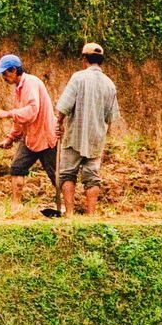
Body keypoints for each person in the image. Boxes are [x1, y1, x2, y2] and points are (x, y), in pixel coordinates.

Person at [55, 42, 120, 217]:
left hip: (74, 137)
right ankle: (90, 216)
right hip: (96, 139)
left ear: (84, 59)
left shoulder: (78, 78)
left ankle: (69, 214)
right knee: (92, 177)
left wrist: (59, 124)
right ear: (101, 61)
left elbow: (63, 107)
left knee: (68, 173)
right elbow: (111, 117)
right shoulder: (110, 84)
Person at [0, 53, 59, 213]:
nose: (3, 77)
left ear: (14, 70)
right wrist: (11, 137)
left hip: (45, 136)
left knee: (55, 175)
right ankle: (16, 206)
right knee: (16, 167)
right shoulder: (19, 89)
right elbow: (21, 119)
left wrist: (9, 113)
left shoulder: (31, 83)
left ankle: (66, 207)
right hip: (30, 137)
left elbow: (31, 111)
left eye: (4, 73)